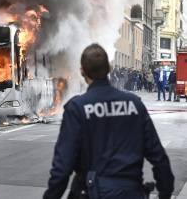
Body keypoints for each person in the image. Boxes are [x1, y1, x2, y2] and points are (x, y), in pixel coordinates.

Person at [44, 44, 174, 199]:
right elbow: (158, 155)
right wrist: (165, 192)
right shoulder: (134, 104)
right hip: (131, 192)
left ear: (82, 72)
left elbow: (63, 166)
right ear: (110, 68)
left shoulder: (77, 108)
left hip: (92, 192)